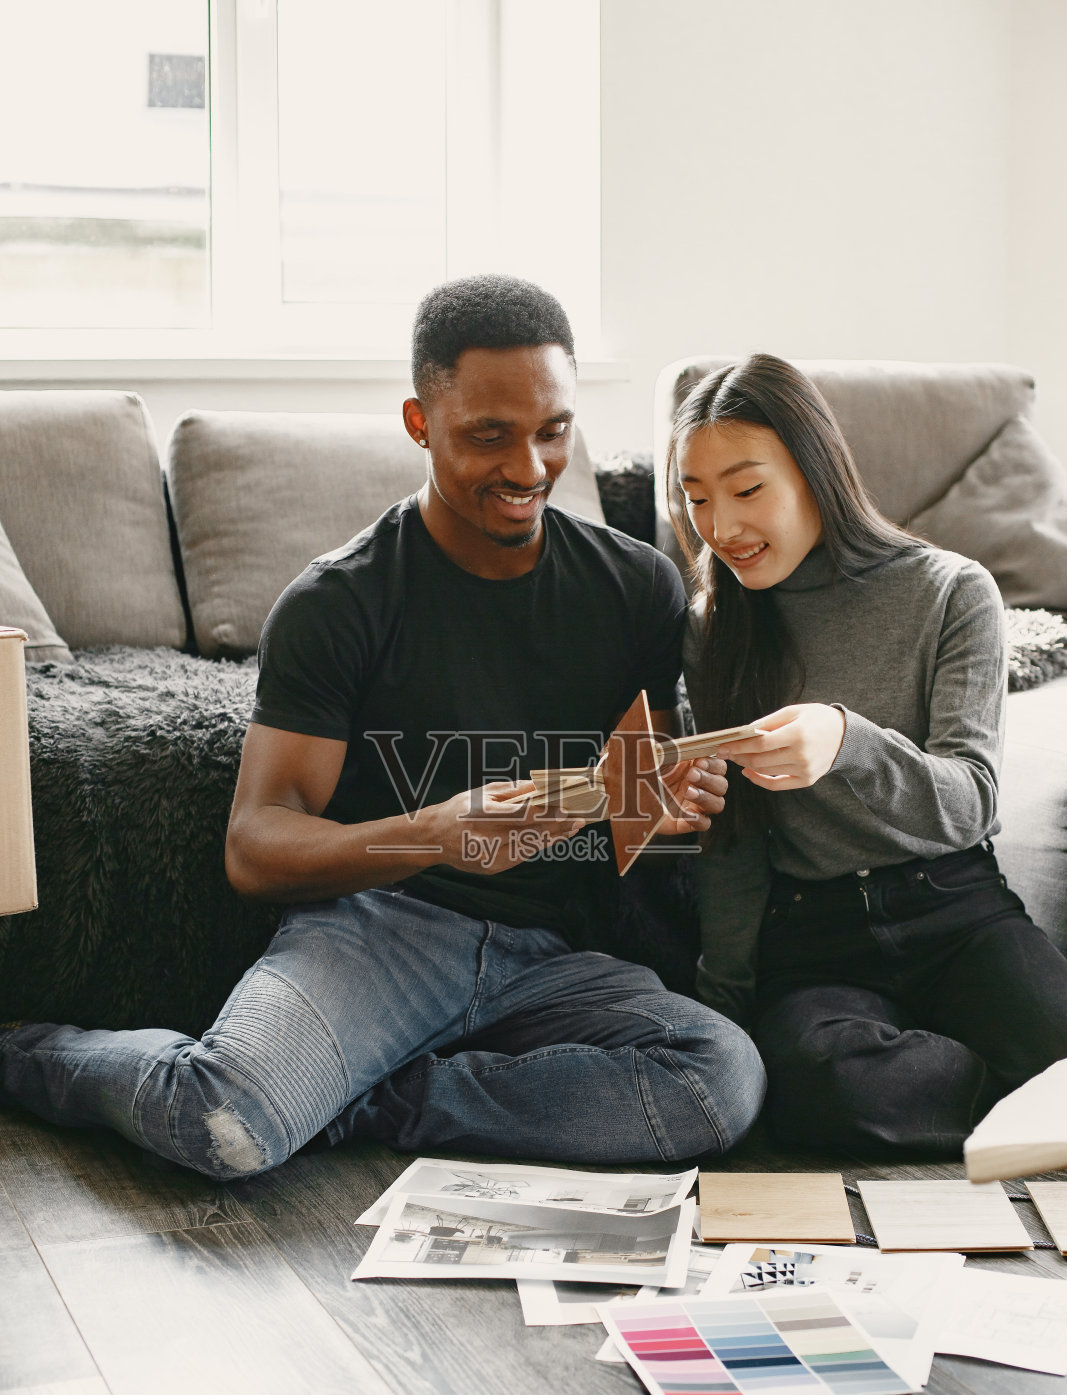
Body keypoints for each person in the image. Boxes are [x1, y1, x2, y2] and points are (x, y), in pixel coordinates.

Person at [0, 276, 764, 1179]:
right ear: (418, 421)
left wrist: (664, 805)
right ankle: (25, 1052)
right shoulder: (341, 601)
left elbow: (631, 809)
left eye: (552, 431)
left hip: (551, 959)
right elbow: (255, 847)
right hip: (377, 934)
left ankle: (366, 1098)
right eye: (489, 435)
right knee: (224, 1124)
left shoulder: (637, 588)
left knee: (719, 1079)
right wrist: (434, 835)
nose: (528, 467)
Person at [671, 352, 1067, 1156]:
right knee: (823, 1088)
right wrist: (726, 998)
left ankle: (1019, 1094)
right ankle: (1021, 1108)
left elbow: (971, 799)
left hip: (955, 910)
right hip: (812, 937)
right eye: (696, 497)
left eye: (747, 491)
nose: (721, 527)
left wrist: (847, 741)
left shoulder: (951, 591)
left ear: (816, 472)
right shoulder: (713, 623)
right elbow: (734, 837)